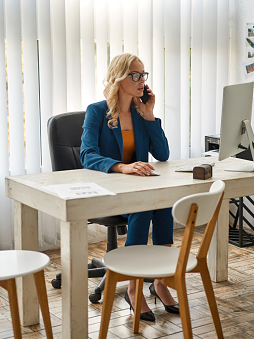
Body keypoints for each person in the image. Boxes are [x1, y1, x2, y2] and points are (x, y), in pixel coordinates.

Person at [80, 53, 178, 322]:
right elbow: (87, 154)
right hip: (109, 191)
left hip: (138, 190)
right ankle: (134, 290)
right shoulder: (97, 112)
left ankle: (160, 282)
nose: (140, 80)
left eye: (143, 75)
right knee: (144, 209)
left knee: (164, 204)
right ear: (118, 78)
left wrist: (149, 116)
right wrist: (122, 166)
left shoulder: (139, 113)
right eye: (134, 75)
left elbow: (163, 154)